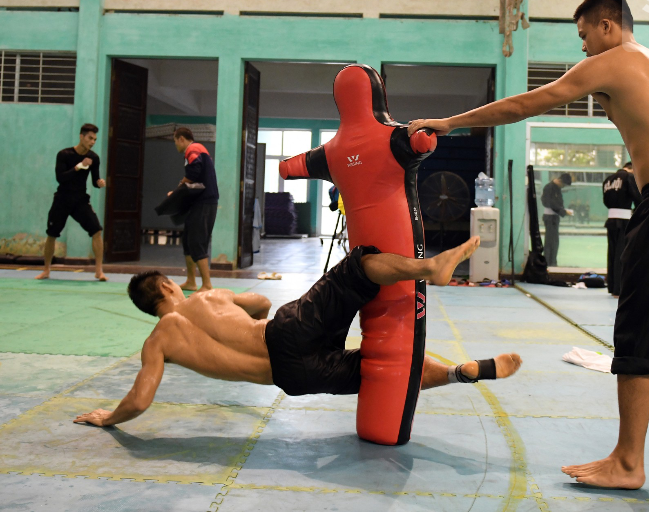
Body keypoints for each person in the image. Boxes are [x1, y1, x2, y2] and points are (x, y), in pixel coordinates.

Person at [408, 0, 649, 489]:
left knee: (643, 319)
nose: (583, 49)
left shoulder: (612, 61)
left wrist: (450, 123)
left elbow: (524, 104)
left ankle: (627, 462)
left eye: (584, 36)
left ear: (607, 26)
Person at [73, 237, 522, 427]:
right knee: (357, 265)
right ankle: (430, 267)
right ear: (169, 286)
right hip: (283, 334)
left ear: (148, 308)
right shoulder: (207, 298)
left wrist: (106, 418)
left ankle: (460, 374)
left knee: (384, 370)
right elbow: (264, 304)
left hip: (293, 377)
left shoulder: (159, 343)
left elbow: (139, 401)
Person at [36, 123, 107, 282]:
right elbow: (60, 178)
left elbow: (95, 180)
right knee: (52, 234)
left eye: (95, 139)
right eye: (90, 138)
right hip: (62, 199)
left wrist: (99, 183)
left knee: (96, 230)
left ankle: (99, 271)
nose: (92, 142)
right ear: (81, 136)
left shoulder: (94, 158)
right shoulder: (64, 154)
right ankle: (46, 270)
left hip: (80, 200)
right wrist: (79, 167)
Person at [171, 127, 219, 292]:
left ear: (181, 139)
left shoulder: (193, 149)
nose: (176, 145)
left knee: (197, 241)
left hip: (205, 202)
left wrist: (180, 186)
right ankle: (191, 281)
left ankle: (207, 284)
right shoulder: (198, 149)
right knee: (188, 241)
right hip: (199, 202)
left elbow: (194, 171)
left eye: (175, 141)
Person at [602, 161, 642, 297]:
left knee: (612, 253)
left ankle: (612, 286)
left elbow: (606, 201)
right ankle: (619, 289)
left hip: (611, 220)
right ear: (632, 169)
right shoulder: (629, 178)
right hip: (624, 221)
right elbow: (638, 197)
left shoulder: (608, 180)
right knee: (622, 254)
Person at [540, 173, 574, 266]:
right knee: (550, 241)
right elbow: (548, 203)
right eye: (563, 185)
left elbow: (557, 203)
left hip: (554, 217)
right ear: (560, 181)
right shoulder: (549, 187)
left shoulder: (557, 188)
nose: (563, 187)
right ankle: (548, 262)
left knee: (554, 241)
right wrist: (562, 211)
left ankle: (553, 262)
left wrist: (563, 210)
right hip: (550, 217)